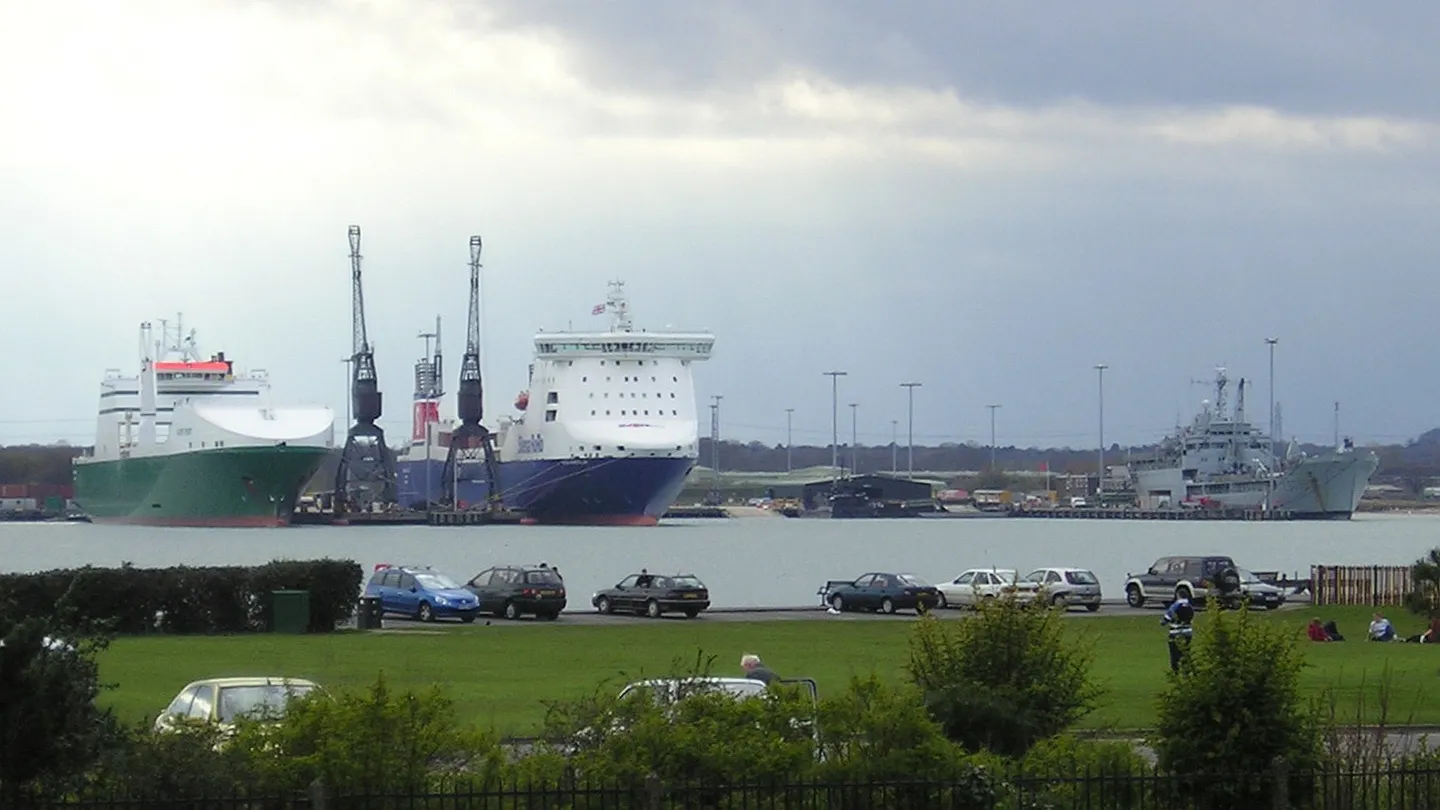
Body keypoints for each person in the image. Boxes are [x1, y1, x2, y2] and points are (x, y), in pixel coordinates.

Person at [1161, 597, 1195, 673]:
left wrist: (1162, 622)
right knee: (1186, 652)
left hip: (1175, 632)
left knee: (1174, 653)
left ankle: (1175, 672)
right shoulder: (1190, 606)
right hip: (1187, 633)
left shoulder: (1174, 606)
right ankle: (1186, 671)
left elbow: (1165, 620)